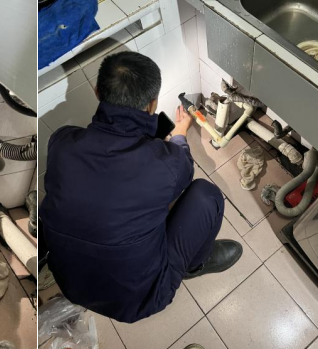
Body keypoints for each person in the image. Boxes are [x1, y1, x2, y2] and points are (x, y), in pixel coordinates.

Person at [40, 51, 243, 323]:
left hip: (71, 284)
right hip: (141, 299)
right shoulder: (168, 164)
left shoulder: (62, 142)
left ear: (97, 91)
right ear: (152, 104)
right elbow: (182, 171)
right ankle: (195, 264)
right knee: (207, 195)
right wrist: (180, 135)